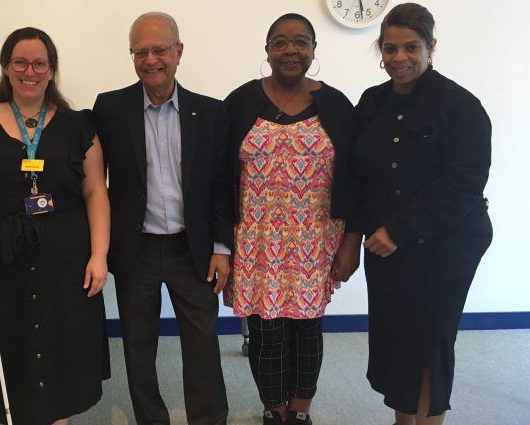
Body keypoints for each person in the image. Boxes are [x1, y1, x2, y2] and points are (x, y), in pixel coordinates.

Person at [0, 27, 110, 425]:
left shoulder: (78, 127)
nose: (29, 71)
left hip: (65, 261)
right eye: (20, 62)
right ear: (6, 67)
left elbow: (95, 193)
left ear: (51, 70)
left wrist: (100, 255)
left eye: (39, 63)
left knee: (60, 350)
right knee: (9, 348)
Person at [346, 3, 493, 425]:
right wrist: (358, 237)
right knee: (397, 338)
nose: (398, 58)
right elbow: (359, 174)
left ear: (431, 46)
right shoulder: (372, 101)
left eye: (410, 47)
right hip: (385, 245)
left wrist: (399, 229)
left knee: (429, 340)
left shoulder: (459, 105)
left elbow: (465, 180)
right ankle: (403, 420)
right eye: (389, 49)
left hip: (446, 243)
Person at [93, 11, 232, 425]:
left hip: (193, 249)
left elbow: (222, 186)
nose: (150, 59)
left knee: (203, 346)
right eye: (141, 52)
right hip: (136, 250)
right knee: (138, 349)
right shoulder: (110, 108)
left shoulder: (210, 113)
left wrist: (222, 248)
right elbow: (92, 178)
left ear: (178, 52)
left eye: (159, 50)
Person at [222, 13, 360, 425]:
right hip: (256, 239)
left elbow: (356, 177)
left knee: (307, 329)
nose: (290, 50)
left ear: (314, 50)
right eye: (280, 42)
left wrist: (352, 240)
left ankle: (300, 411)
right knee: (265, 333)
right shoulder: (240, 102)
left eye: (300, 42)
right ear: (267, 51)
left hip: (315, 240)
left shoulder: (335, 105)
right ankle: (274, 409)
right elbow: (218, 175)